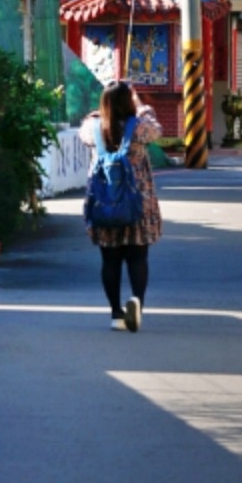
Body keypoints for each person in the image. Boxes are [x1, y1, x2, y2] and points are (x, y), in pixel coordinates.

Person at [80, 79, 162, 331]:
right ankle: (137, 301)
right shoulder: (138, 128)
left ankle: (116, 314)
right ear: (128, 101)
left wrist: (98, 113)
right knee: (138, 258)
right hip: (137, 203)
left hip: (104, 203)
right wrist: (141, 106)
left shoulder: (93, 128)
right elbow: (156, 130)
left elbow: (83, 129)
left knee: (110, 260)